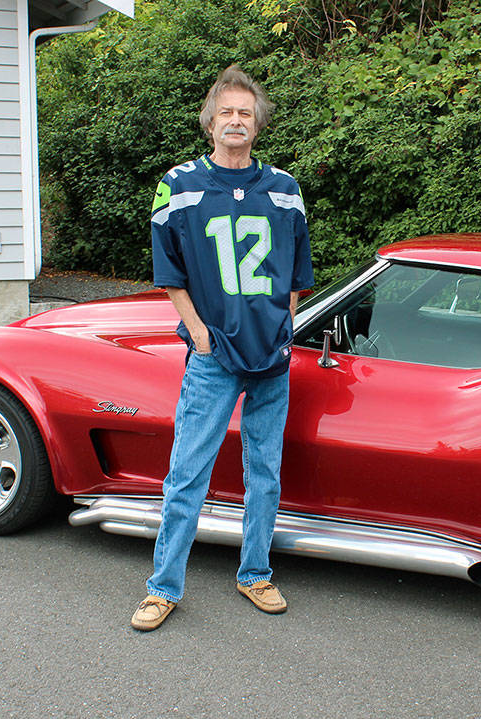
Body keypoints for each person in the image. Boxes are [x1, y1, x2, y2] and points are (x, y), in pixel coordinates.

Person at [132, 65, 313, 631]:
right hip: (213, 358)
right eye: (226, 112)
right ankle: (163, 587)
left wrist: (283, 328)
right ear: (210, 122)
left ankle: (255, 572)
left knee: (266, 471)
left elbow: (296, 275)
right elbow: (170, 274)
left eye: (246, 113)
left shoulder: (284, 188)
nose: (236, 121)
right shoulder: (179, 184)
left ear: (257, 124)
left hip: (271, 357)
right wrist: (201, 334)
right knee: (188, 471)